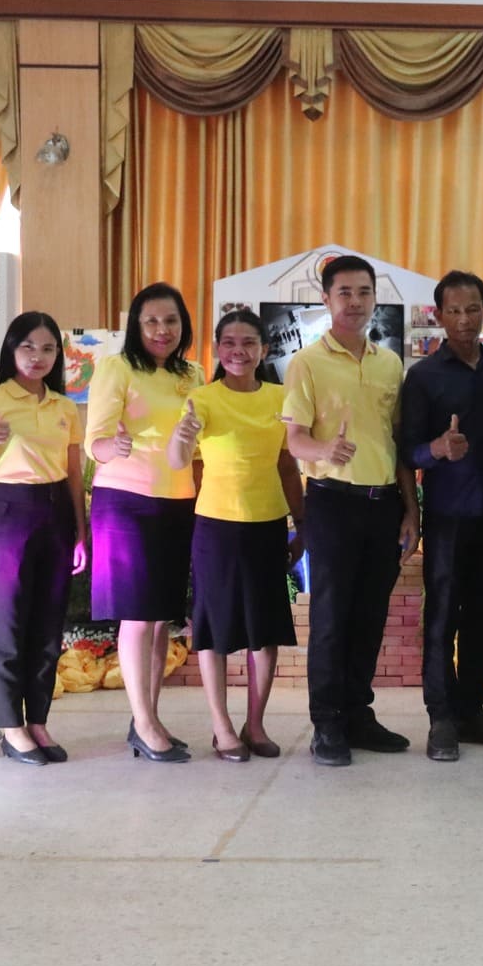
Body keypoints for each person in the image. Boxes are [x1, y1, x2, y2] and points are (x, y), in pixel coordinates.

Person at [283, 254, 419, 767]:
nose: (355, 301)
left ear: (375, 299)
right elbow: (294, 439)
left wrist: (411, 511)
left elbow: (398, 444)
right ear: (326, 299)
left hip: (383, 505)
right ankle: (327, 724)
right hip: (332, 503)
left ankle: (359, 715)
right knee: (331, 619)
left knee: (369, 617)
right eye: (344, 292)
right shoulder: (306, 362)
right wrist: (326, 450)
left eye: (364, 292)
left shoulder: (390, 364)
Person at [166, 308, 305, 762]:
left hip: (269, 526)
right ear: (217, 349)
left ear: (264, 349)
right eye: (228, 343)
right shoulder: (202, 400)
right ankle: (222, 727)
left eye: (248, 343)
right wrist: (182, 435)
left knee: (265, 630)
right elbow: (180, 461)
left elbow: (288, 466)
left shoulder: (281, 399)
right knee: (215, 629)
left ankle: (255, 724)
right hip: (216, 528)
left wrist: (302, 525)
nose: (238, 351)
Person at [399, 270, 483, 762]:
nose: (464, 319)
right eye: (453, 310)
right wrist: (436, 449)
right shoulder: (424, 377)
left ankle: (472, 711)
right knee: (441, 620)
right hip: (448, 518)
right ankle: (441, 718)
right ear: (438, 316)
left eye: (472, 309)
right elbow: (407, 452)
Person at [0, 311, 87, 767]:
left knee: (49, 624)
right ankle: (10, 725)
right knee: (10, 621)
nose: (38, 356)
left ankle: (38, 720)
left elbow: (74, 473)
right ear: (11, 350)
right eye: (28, 347)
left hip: (57, 513)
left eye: (48, 348)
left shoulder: (64, 407)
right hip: (11, 511)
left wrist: (81, 531)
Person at [87, 283, 204, 764]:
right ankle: (145, 724)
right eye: (151, 321)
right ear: (136, 326)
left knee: (159, 621)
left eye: (171, 320)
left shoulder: (193, 374)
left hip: (178, 502)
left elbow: (198, 445)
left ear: (183, 325)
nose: (162, 330)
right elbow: (94, 443)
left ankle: (147, 719)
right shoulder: (117, 368)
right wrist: (112, 446)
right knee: (137, 616)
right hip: (126, 503)